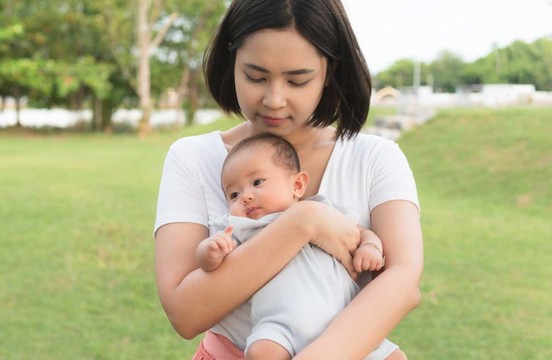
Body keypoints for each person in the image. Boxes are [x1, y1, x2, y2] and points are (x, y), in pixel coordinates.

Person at [154, 0, 423, 358]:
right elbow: (185, 313)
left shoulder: (374, 158)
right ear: (231, 61)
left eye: (298, 80)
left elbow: (402, 282)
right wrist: (304, 221)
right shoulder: (193, 158)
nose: (274, 99)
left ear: (329, 71)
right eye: (255, 76)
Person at [196, 133, 404, 360]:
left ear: (297, 185)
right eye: (234, 194)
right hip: (280, 325)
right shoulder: (241, 227)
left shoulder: (323, 211)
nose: (246, 197)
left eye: (257, 183)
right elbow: (209, 262)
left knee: (395, 356)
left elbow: (362, 233)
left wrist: (370, 247)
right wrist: (210, 253)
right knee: (260, 351)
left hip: (342, 320)